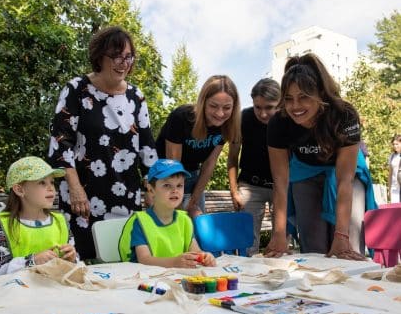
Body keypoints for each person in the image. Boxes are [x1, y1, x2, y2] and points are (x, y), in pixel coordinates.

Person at [48, 26, 157, 260]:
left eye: (128, 56)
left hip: (125, 194)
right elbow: (61, 142)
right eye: (117, 56)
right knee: (81, 260)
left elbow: (147, 147)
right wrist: (75, 189)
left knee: (124, 257)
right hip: (83, 195)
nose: (124, 62)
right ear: (100, 56)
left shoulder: (136, 97)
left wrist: (151, 188)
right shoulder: (76, 89)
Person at [265, 53, 377, 261]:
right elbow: (280, 182)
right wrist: (279, 233)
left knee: (348, 247)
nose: (295, 106)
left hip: (344, 172)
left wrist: (341, 236)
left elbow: (345, 180)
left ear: (320, 94)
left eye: (304, 97)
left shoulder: (344, 114)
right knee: (313, 247)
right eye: (289, 99)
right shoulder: (278, 122)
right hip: (304, 171)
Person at [156, 75, 241, 217]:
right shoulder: (181, 117)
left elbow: (209, 163)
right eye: (213, 106)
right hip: (167, 176)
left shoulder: (227, 126)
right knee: (171, 226)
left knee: (196, 228)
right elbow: (173, 164)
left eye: (227, 108)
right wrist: (176, 200)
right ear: (203, 102)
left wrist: (194, 199)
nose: (220, 114)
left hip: (194, 178)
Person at [0, 157, 77, 279]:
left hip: (55, 293)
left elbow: (73, 267)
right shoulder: (3, 226)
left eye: (52, 182)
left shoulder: (60, 222)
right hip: (17, 296)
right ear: (19, 190)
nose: (51, 188)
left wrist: (72, 259)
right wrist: (31, 261)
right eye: (42, 182)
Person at [119, 159, 216, 268]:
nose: (175, 190)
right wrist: (174, 263)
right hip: (146, 280)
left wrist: (205, 257)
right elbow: (144, 260)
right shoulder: (141, 222)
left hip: (175, 279)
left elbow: (196, 252)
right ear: (151, 190)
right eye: (167, 185)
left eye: (179, 185)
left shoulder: (184, 220)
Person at [227, 78, 280, 256]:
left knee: (281, 242)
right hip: (250, 186)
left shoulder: (287, 120)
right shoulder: (244, 118)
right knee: (247, 245)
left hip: (280, 187)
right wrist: (234, 191)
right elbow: (233, 157)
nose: (263, 114)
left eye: (269, 107)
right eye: (258, 107)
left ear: (279, 104)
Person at [388, 134, 401, 203]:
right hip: (394, 187)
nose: (395, 146)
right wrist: (389, 188)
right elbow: (390, 174)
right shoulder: (392, 156)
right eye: (394, 144)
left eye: (397, 144)